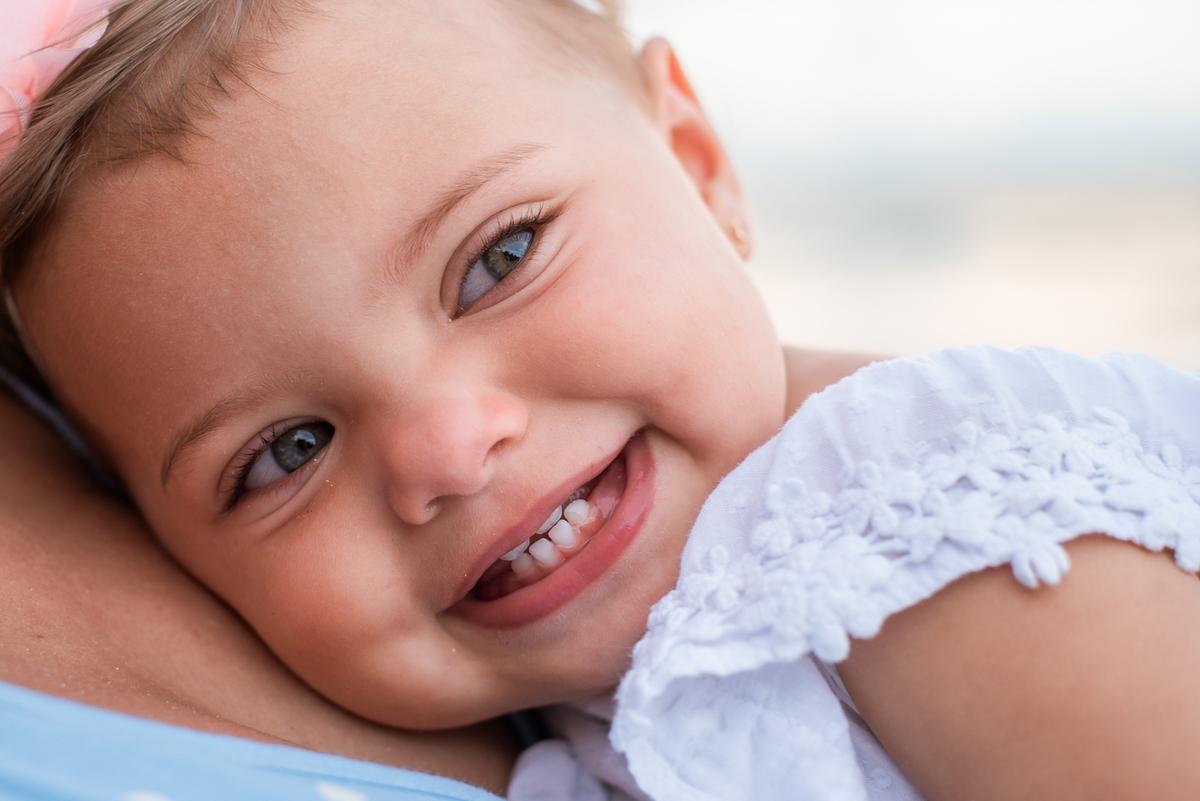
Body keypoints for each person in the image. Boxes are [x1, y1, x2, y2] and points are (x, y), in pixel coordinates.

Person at [2, 1, 1198, 799]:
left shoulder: (918, 522)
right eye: (287, 450)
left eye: (500, 260)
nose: (449, 451)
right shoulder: (567, 718)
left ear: (697, 161)